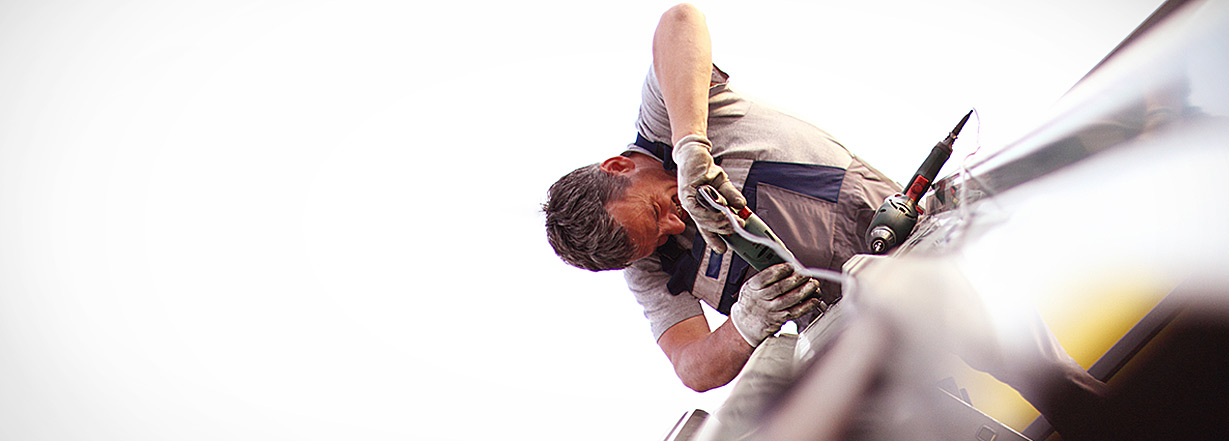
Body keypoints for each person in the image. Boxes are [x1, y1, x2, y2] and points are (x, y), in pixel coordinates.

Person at [543, 3, 899, 391]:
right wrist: (744, 323)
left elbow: (680, 20)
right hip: (855, 329)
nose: (676, 225)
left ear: (618, 167)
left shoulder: (664, 117)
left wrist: (691, 148)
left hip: (902, 237)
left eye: (656, 210)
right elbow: (692, 369)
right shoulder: (648, 269)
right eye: (659, 239)